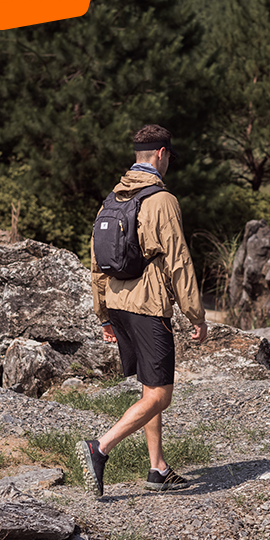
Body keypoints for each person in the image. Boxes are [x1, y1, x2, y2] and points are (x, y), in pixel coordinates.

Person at [77, 124, 207, 497]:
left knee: (149, 386)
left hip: (118, 303)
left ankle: (158, 468)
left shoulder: (113, 197)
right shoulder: (162, 200)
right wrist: (196, 315)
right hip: (147, 306)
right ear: (161, 154)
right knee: (161, 395)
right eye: (169, 158)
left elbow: (96, 261)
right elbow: (179, 261)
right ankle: (100, 448)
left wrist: (103, 313)